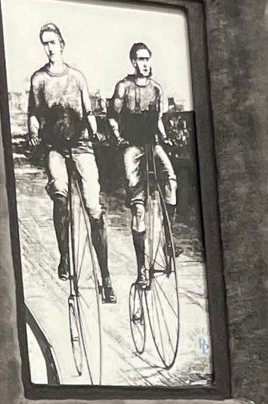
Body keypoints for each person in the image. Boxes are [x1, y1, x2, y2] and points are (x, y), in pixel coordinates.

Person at [27, 22, 114, 305]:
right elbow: (33, 114)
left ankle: (106, 277)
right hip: (54, 147)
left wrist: (95, 132)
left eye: (53, 42)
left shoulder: (77, 77)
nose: (49, 48)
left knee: (93, 207)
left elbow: (88, 111)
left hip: (81, 145)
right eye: (45, 43)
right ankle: (65, 256)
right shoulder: (38, 80)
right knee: (60, 193)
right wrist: (33, 133)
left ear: (62, 44)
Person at [107, 41, 175, 292]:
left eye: (147, 59)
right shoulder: (123, 87)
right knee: (138, 208)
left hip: (152, 144)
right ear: (133, 62)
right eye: (140, 59)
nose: (144, 64)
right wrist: (116, 135)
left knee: (171, 180)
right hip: (132, 147)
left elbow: (158, 120)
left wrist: (164, 136)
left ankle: (169, 241)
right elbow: (112, 117)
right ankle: (142, 271)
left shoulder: (157, 89)